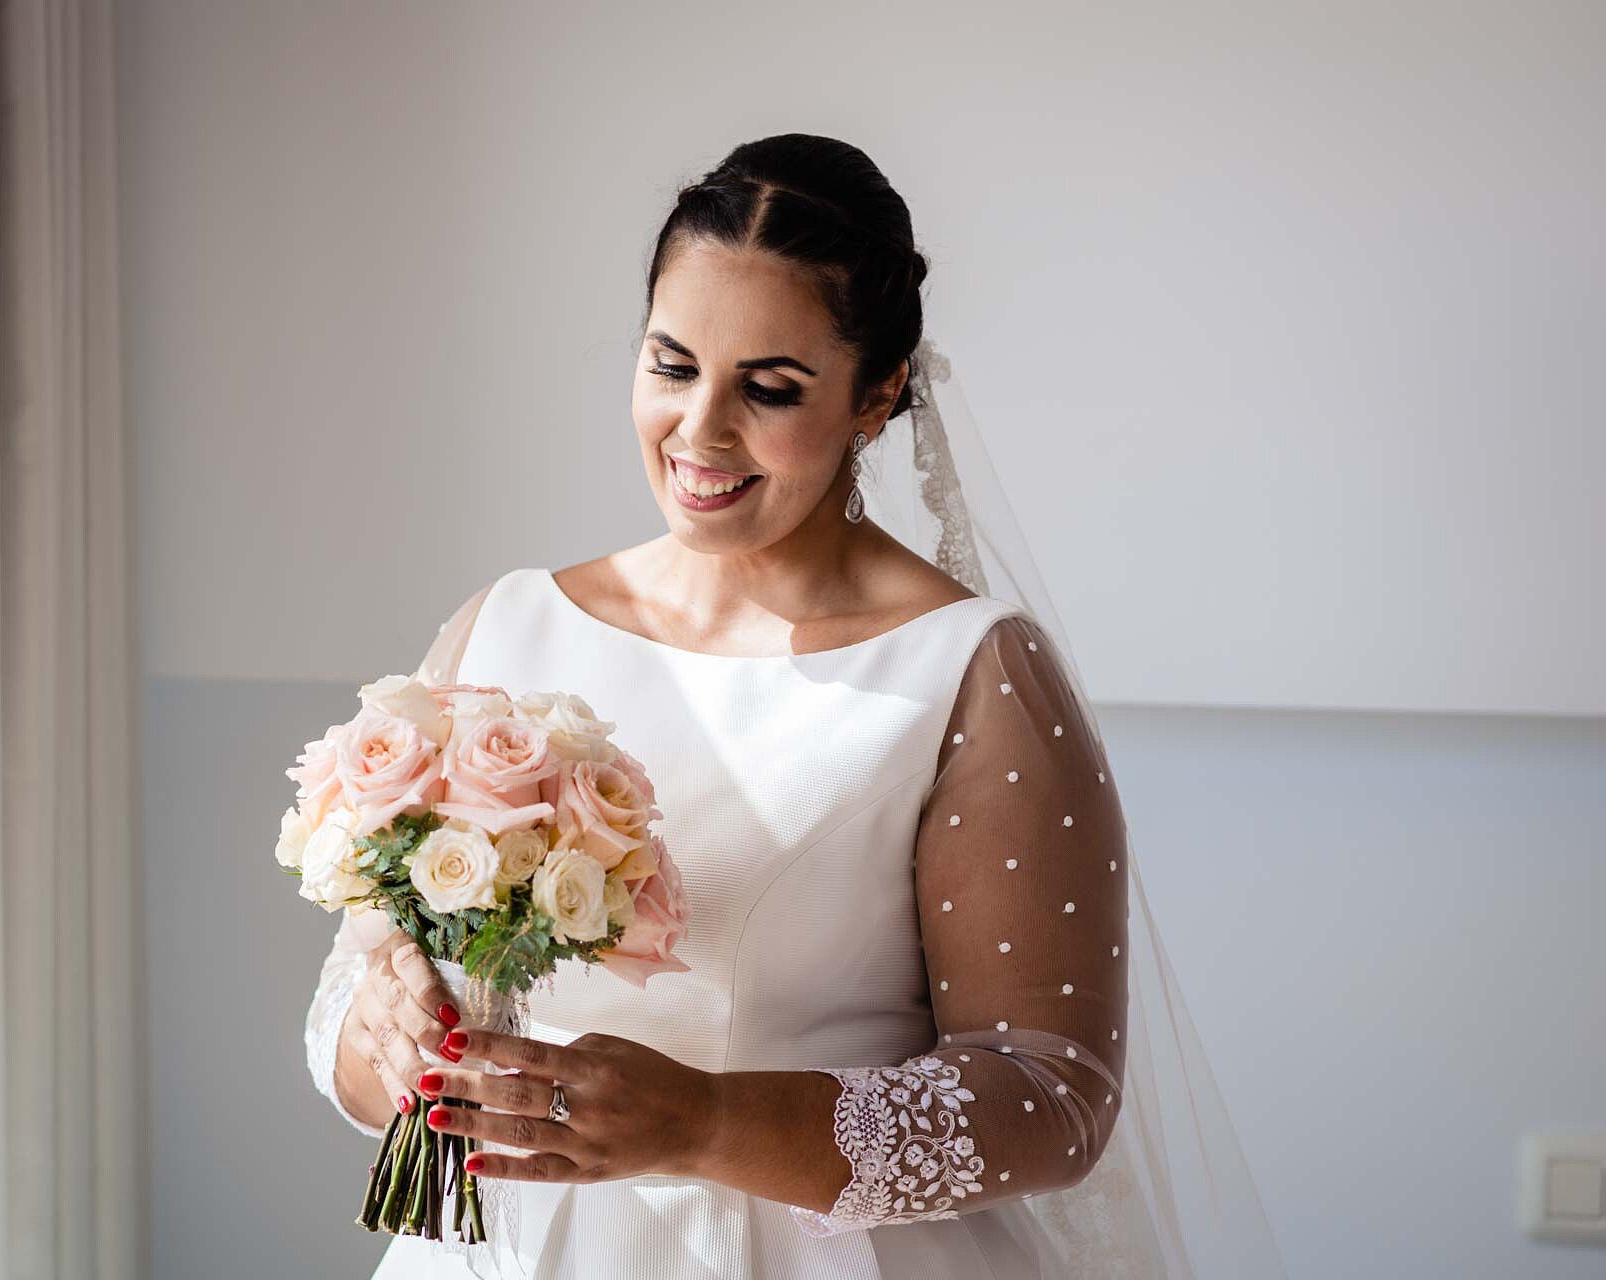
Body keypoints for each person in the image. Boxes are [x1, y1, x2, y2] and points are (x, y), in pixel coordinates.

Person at [305, 134, 1286, 1279]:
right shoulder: (506, 626)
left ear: (879, 396)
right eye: (672, 366)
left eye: (769, 389)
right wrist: (379, 1037)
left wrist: (704, 1121)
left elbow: (1053, 1093)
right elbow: (351, 995)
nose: (701, 431)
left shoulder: (969, 672)